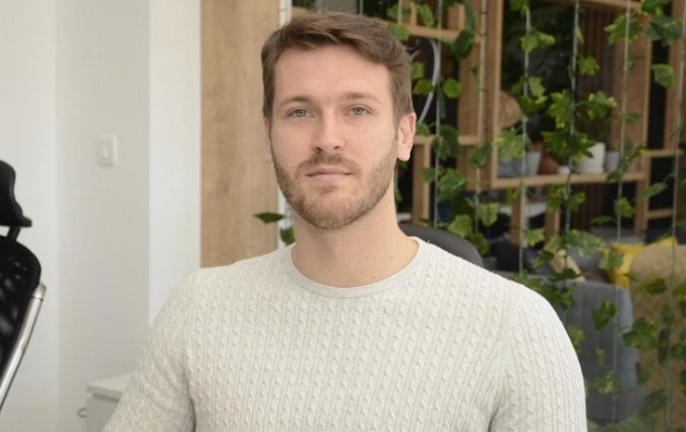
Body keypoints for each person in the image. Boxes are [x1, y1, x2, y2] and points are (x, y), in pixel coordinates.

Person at [105, 11, 586, 431]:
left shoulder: (515, 327)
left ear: (404, 135)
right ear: (268, 137)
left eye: (357, 109)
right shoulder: (200, 310)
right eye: (299, 112)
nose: (327, 138)